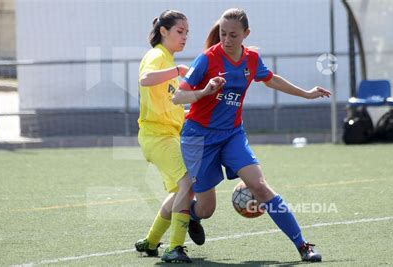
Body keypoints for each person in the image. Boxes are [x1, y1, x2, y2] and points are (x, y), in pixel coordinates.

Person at [172, 8, 330, 263]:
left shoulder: (252, 59)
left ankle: (303, 245)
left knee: (260, 186)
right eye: (223, 34)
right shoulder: (207, 59)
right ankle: (193, 215)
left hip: (232, 134)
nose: (226, 40)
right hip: (199, 137)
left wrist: (307, 93)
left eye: (233, 35)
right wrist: (205, 91)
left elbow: (272, 80)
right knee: (206, 208)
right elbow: (177, 96)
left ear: (246, 34)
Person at [134, 10, 204, 264]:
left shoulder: (168, 60)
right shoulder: (157, 56)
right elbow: (145, 79)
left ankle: (150, 241)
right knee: (188, 183)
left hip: (168, 136)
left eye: (187, 32)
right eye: (179, 31)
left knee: (180, 191)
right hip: (157, 136)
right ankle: (175, 247)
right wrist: (177, 70)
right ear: (163, 32)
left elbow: (169, 105)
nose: (184, 37)